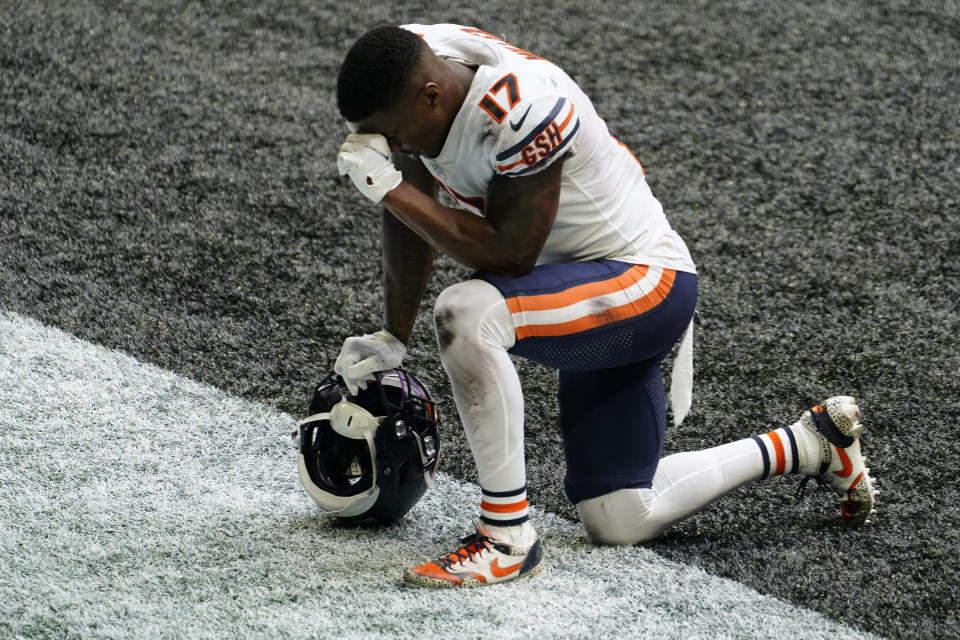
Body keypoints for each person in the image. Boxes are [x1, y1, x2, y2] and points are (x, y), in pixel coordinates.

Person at [332, 23, 877, 588]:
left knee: (466, 313)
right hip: (585, 287)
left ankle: (505, 538)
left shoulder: (527, 110)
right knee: (618, 517)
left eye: (393, 135)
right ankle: (811, 442)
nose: (392, 149)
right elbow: (413, 206)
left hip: (644, 283)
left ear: (430, 96)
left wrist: (388, 186)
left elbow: (510, 255)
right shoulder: (419, 66)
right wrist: (394, 333)